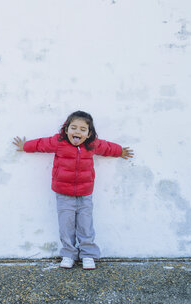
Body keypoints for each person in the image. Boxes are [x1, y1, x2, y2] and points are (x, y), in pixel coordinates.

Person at [12, 111, 134, 270]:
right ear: (66, 129)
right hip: (63, 193)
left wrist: (120, 151)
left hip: (85, 193)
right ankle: (68, 254)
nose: (77, 132)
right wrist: (26, 146)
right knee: (66, 225)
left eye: (83, 130)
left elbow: (106, 147)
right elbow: (42, 144)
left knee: (85, 224)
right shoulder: (58, 142)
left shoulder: (92, 144)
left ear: (89, 133)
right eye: (74, 128)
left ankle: (88, 254)